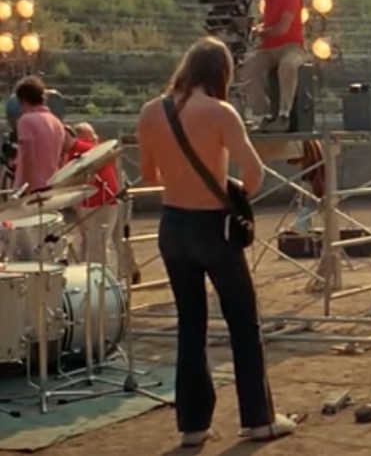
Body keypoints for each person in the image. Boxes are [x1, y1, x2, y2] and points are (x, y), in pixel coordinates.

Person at [136, 36, 295, 447]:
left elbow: (150, 177)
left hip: (172, 227)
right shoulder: (221, 112)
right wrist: (228, 184)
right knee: (243, 321)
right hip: (214, 228)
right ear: (220, 74)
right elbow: (255, 174)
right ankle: (257, 419)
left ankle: (192, 425)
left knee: (190, 325)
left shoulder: (152, 112)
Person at [238, 0, 306, 133]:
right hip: (268, 48)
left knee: (288, 65)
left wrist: (259, 32)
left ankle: (284, 114)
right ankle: (263, 114)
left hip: (291, 46)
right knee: (246, 70)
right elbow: (267, 20)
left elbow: (282, 28)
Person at [64, 122, 140, 283]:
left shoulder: (95, 152)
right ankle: (116, 274)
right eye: (88, 136)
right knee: (98, 242)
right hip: (105, 200)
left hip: (112, 199)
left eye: (92, 135)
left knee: (115, 239)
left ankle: (122, 274)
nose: (92, 138)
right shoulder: (80, 154)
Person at [12, 76, 66, 193]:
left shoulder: (26, 120)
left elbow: (28, 156)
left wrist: (27, 187)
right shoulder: (56, 122)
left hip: (32, 187)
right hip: (52, 184)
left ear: (23, 100)